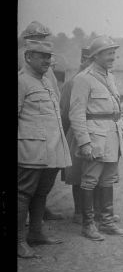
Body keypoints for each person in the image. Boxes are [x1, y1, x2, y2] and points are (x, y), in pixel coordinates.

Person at [69, 35, 123, 241]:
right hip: (95, 136)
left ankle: (107, 222)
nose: (113, 57)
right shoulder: (83, 79)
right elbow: (76, 114)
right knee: (89, 180)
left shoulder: (109, 76)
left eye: (114, 53)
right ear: (96, 55)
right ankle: (89, 225)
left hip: (112, 136)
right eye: (108, 53)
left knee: (108, 180)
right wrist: (84, 141)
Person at [18, 39, 71, 258]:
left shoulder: (47, 82)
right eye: (42, 56)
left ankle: (36, 233)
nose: (48, 61)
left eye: (49, 56)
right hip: (31, 148)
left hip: (52, 148)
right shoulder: (21, 82)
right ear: (28, 57)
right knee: (23, 194)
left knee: (42, 192)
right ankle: (19, 240)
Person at [18, 21, 64, 221]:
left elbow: (53, 93)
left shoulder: (45, 67)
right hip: (30, 137)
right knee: (26, 188)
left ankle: (38, 225)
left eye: (45, 38)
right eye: (38, 38)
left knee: (42, 187)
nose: (42, 42)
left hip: (50, 134)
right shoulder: (25, 59)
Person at [59, 47, 94, 224]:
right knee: (78, 174)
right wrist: (66, 136)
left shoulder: (98, 80)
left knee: (95, 172)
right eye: (90, 60)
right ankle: (79, 212)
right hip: (76, 131)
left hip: (96, 131)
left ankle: (93, 211)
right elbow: (65, 113)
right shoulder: (72, 83)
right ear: (84, 61)